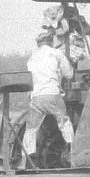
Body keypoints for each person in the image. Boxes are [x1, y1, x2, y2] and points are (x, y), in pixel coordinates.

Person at [23, 32, 75, 167]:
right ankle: (71, 149)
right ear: (51, 42)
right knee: (64, 122)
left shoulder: (32, 58)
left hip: (36, 97)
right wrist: (71, 66)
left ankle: (29, 158)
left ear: (38, 44)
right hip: (52, 94)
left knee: (31, 129)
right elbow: (69, 75)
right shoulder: (56, 53)